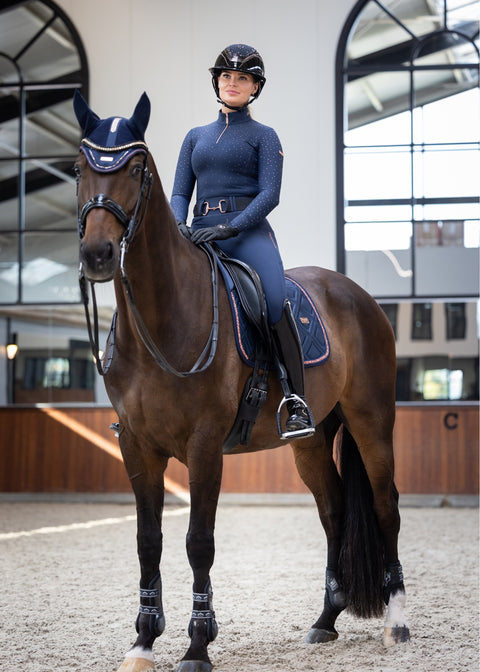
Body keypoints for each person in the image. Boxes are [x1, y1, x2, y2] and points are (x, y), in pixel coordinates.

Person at [170, 43, 314, 437]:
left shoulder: (264, 136)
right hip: (199, 233)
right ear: (217, 81)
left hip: (247, 233)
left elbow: (270, 194)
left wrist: (231, 227)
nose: (233, 83)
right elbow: (181, 191)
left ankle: (293, 397)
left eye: (243, 78)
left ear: (254, 88)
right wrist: (180, 223)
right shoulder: (195, 136)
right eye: (227, 76)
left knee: (271, 299)